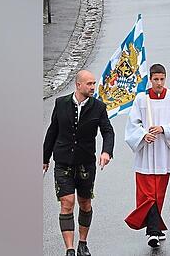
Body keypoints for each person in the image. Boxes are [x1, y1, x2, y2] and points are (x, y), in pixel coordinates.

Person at [43, 70, 115, 256]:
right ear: (78, 85)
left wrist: (106, 151)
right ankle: (70, 249)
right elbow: (52, 131)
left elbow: (108, 131)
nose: (93, 87)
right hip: (63, 161)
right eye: (89, 84)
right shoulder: (61, 103)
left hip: (85, 163)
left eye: (93, 83)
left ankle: (82, 242)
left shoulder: (98, 107)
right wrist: (44, 159)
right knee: (67, 202)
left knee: (85, 203)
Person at [124, 64, 170, 248]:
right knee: (147, 195)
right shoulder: (141, 100)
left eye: (162, 79)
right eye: (155, 80)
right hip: (145, 153)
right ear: (150, 80)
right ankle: (152, 231)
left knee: (158, 194)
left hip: (162, 152)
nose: (159, 83)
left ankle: (155, 227)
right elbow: (132, 124)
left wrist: (164, 129)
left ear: (165, 78)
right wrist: (143, 134)